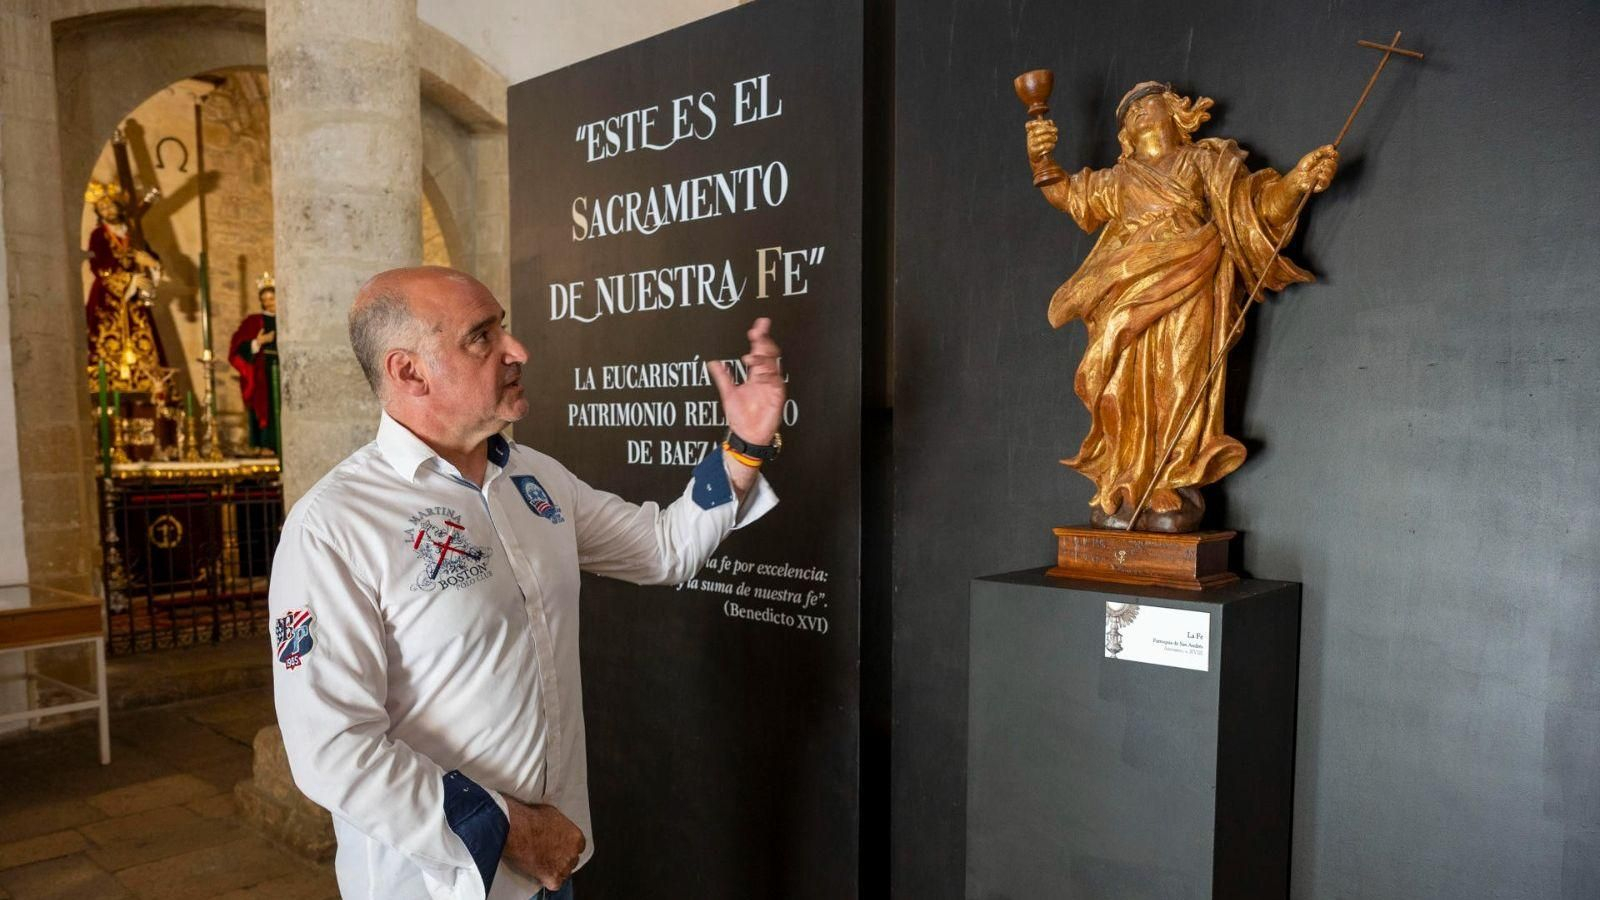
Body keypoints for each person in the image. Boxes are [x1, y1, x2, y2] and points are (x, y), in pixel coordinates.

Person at [268, 266, 783, 900]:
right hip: (440, 882)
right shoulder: (335, 525)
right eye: (481, 337)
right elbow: (332, 746)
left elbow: (661, 549)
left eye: (502, 327)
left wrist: (742, 449)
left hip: (551, 868)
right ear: (409, 372)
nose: (518, 351)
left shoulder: (535, 480)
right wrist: (509, 830)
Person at [1025, 82, 1337, 531]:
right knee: (1120, 380)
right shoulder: (1119, 180)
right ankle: (1124, 479)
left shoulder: (1205, 162)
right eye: (1130, 113)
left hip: (1191, 280)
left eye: (1149, 104)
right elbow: (1066, 193)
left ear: (1176, 113)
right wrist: (1041, 158)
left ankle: (1169, 478)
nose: (1140, 113)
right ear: (1126, 136)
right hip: (1127, 287)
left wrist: (1297, 182)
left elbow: (1255, 211)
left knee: (1178, 375)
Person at [84, 180, 165, 387]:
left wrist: (152, 263)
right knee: (106, 348)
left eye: (110, 205)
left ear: (119, 207)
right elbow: (98, 267)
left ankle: (148, 395)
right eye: (102, 208)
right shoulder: (98, 235)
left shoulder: (133, 234)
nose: (107, 210)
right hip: (107, 299)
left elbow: (150, 258)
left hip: (134, 302)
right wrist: (130, 279)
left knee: (143, 345)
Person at [228, 273, 280, 454]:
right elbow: (238, 347)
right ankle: (265, 446)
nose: (269, 303)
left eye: (272, 298)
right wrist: (258, 342)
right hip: (263, 372)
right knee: (266, 407)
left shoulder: (288, 319)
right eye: (264, 299)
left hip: (283, 371)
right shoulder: (253, 321)